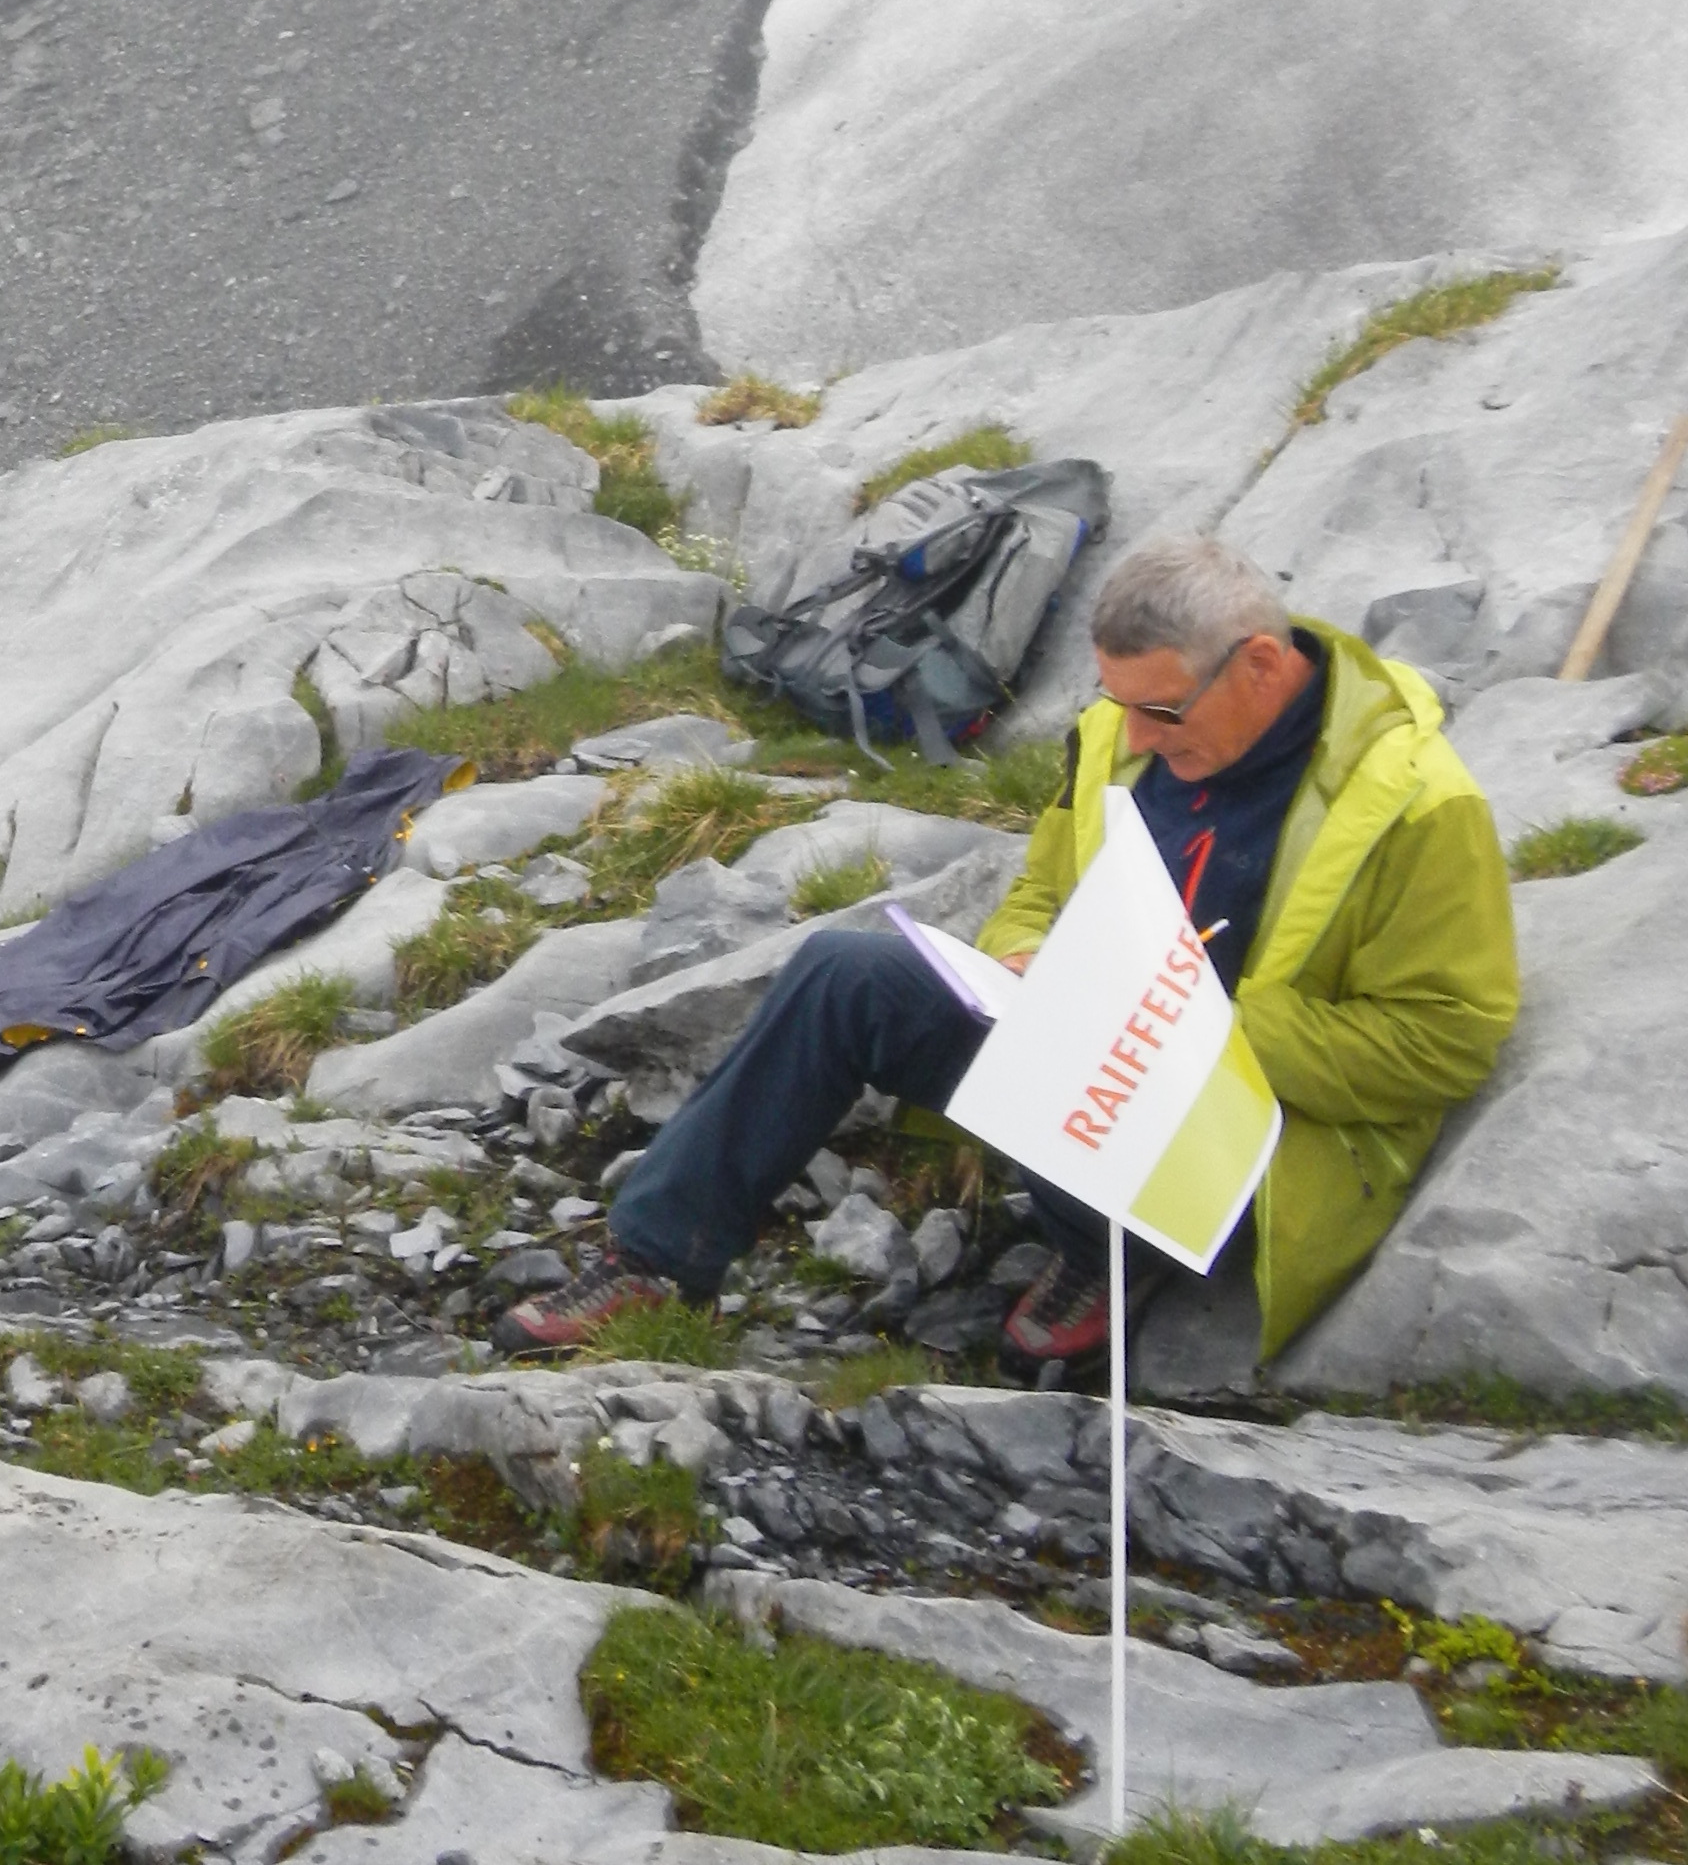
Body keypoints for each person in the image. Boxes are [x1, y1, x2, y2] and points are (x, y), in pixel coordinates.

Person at [506, 532, 1519, 1375]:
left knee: (1102, 1105)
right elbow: (1040, 890)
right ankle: (656, 1259)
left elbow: (1445, 1041)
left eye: (1162, 711)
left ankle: (1109, 1251)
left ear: (1259, 664)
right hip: (1093, 1059)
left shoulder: (1417, 806)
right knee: (843, 974)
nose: (1138, 737)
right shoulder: (1125, 737)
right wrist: (1027, 955)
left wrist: (1194, 1024)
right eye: (1121, 705)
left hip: (1247, 1143)